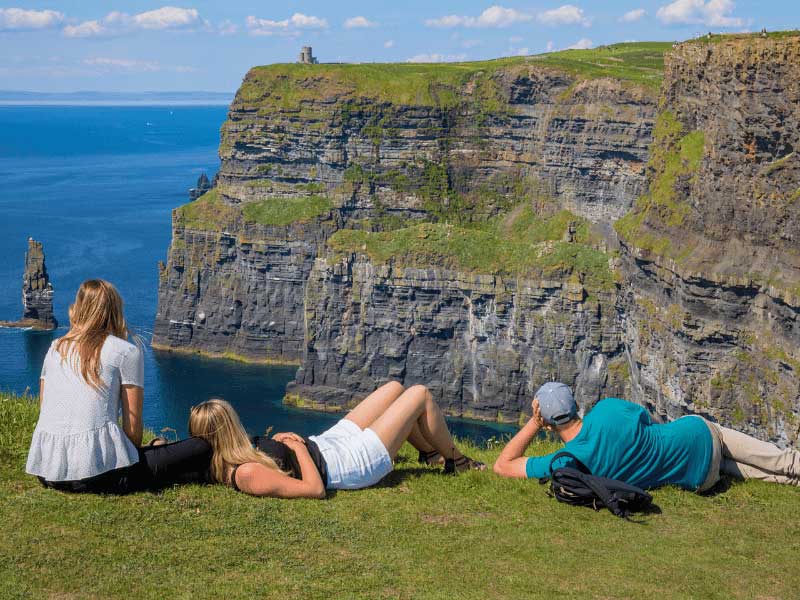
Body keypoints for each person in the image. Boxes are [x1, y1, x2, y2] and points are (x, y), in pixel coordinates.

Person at [25, 279, 212, 494]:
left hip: (48, 471)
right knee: (201, 446)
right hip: (97, 476)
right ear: (114, 310)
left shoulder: (55, 348)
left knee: (173, 464)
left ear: (78, 308)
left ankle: (167, 455)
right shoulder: (124, 352)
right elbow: (132, 430)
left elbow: (44, 407)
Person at [189, 382, 486, 498]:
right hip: (348, 463)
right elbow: (314, 489)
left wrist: (280, 440)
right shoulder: (245, 473)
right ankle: (456, 461)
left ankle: (429, 453)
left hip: (328, 443)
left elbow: (277, 460)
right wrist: (296, 447)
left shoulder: (239, 454)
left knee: (394, 388)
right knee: (419, 395)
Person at [493, 382, 800, 491]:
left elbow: (503, 465)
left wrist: (533, 424)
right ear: (576, 405)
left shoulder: (567, 463)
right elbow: (649, 421)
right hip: (701, 436)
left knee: (780, 478)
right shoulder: (607, 410)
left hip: (700, 478)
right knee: (784, 460)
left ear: (546, 423)